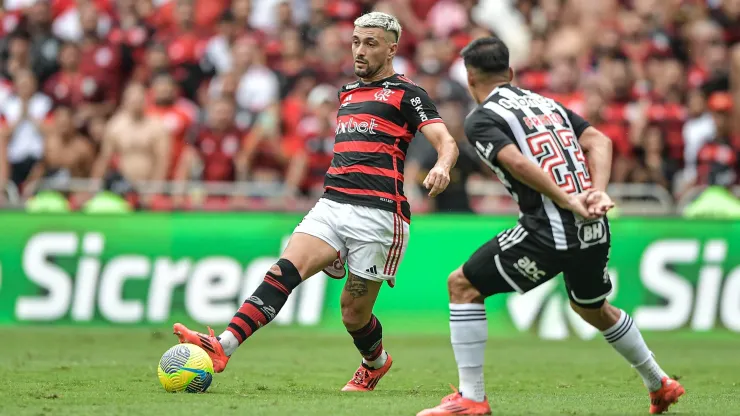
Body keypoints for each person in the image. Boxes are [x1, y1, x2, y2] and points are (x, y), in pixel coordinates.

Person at [173, 11, 459, 392]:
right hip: (332, 204)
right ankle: (223, 346)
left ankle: (375, 362)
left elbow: (446, 140)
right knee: (282, 272)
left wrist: (441, 166)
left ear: (391, 50)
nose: (359, 50)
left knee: (353, 314)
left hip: (379, 214)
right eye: (356, 42)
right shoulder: (347, 93)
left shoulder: (408, 94)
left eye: (370, 43)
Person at [417, 37, 684, 416]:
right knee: (592, 308)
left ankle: (471, 399)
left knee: (462, 285)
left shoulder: (483, 118)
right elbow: (598, 139)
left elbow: (518, 164)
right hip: (593, 227)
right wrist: (596, 191)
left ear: (469, 76)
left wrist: (566, 199)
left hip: (550, 228)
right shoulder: (545, 103)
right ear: (509, 73)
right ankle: (660, 382)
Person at [89, 83, 171, 200]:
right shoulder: (115, 126)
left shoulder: (156, 126)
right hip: (123, 187)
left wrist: (155, 189)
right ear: (125, 102)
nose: (136, 104)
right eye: (133, 100)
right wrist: (93, 186)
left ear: (146, 101)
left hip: (149, 186)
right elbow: (104, 159)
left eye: (139, 100)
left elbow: (162, 161)